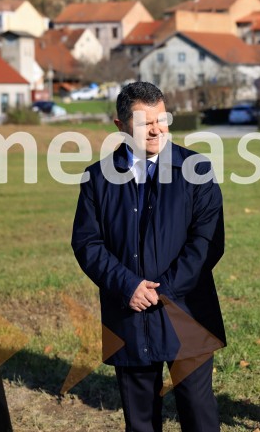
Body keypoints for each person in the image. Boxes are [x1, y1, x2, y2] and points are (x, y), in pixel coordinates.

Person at [71, 82, 225, 432]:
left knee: (199, 414)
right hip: (128, 312)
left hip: (187, 310)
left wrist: (162, 290)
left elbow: (207, 242)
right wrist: (129, 287)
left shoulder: (196, 169)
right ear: (121, 126)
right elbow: (87, 243)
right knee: (140, 421)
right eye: (145, 123)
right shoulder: (97, 178)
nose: (156, 129)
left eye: (162, 119)